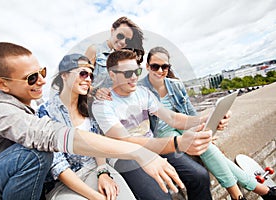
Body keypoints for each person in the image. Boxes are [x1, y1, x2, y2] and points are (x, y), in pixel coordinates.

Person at [0, 42, 189, 199]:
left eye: (42, 72)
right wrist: (139, 153)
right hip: (21, 183)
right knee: (36, 151)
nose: (40, 80)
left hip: (90, 170)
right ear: (1, 84)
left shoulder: (87, 104)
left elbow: (94, 139)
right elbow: (51, 141)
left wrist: (103, 171)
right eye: (31, 77)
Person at [138, 46, 276, 200]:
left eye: (165, 66)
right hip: (163, 132)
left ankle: (247, 194)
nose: (160, 70)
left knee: (207, 145)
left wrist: (205, 127)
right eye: (155, 66)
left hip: (184, 125)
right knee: (209, 148)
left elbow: (190, 114)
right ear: (147, 66)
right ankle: (254, 192)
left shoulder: (175, 85)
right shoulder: (141, 89)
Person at [91, 49, 231, 200]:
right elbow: (125, 140)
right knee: (160, 197)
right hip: (126, 155)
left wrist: (204, 119)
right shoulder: (102, 105)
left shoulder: (143, 93)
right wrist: (177, 143)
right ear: (112, 75)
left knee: (199, 176)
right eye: (127, 73)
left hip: (153, 146)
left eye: (136, 71)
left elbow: (172, 118)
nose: (133, 78)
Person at [37, 53, 136, 200]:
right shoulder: (45, 111)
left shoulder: (89, 107)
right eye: (83, 74)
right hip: (64, 183)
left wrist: (103, 172)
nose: (88, 79)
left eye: (91, 76)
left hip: (96, 170)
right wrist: (96, 197)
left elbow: (97, 143)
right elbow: (57, 164)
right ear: (64, 75)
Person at [85, 16, 144, 91]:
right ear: (112, 30)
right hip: (92, 101)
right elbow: (82, 80)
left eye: (127, 41)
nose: (123, 42)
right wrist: (95, 92)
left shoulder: (124, 59)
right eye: (120, 36)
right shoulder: (95, 50)